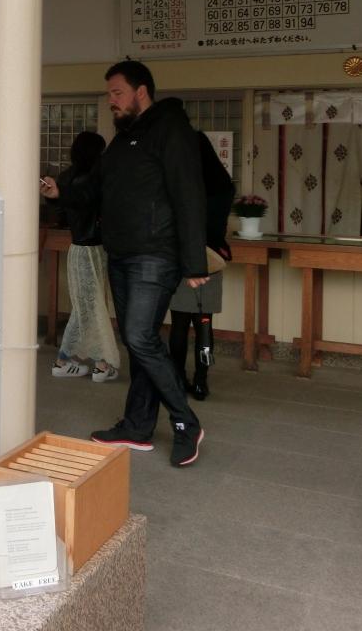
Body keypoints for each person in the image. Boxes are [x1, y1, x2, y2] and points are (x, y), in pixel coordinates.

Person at [41, 60, 208, 467]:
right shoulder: (123, 140)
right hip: (122, 253)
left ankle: (186, 422)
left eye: (117, 93)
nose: (112, 101)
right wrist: (60, 192)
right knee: (140, 339)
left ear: (141, 91)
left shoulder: (172, 132)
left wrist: (194, 262)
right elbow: (93, 189)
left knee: (138, 336)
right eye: (109, 94)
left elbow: (189, 196)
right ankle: (137, 426)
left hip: (157, 254)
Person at [168, 131, 234, 400]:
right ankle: (201, 382)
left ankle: (176, 377)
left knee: (179, 325)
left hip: (182, 261)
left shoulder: (179, 183)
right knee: (205, 323)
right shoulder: (222, 184)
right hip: (211, 262)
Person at [49, 131, 121, 383]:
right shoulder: (94, 179)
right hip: (94, 248)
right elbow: (89, 201)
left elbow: (60, 211)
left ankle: (73, 361)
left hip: (77, 248)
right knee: (91, 308)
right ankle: (87, 364)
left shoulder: (67, 177)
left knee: (87, 308)